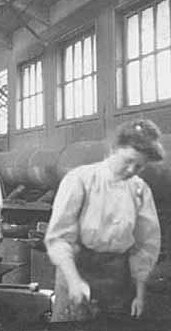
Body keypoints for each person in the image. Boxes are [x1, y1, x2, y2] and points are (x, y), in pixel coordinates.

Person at [44, 119, 163, 323]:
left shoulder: (140, 189)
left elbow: (145, 245)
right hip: (77, 270)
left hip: (117, 279)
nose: (131, 170)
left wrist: (139, 294)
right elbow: (59, 239)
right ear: (114, 149)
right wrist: (73, 281)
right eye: (128, 161)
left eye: (139, 166)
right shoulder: (80, 179)